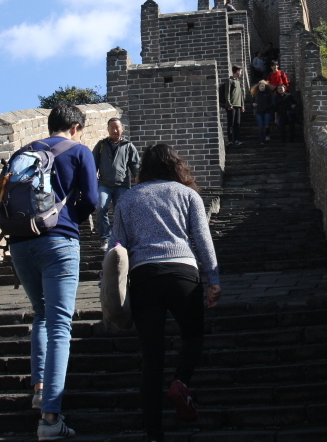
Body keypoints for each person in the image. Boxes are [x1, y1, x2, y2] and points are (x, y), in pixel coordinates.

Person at [109, 144, 220, 442]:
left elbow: (115, 247)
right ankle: (181, 382)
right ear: (176, 166)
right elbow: (203, 240)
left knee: (152, 358)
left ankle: (154, 433)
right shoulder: (188, 195)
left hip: (145, 276)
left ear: (143, 168)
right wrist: (213, 279)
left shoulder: (128, 199)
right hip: (184, 273)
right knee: (193, 336)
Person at [10, 103, 98, 441]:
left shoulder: (24, 150)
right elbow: (90, 198)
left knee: (41, 315)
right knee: (61, 323)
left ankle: (39, 387)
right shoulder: (79, 151)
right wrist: (70, 216)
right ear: (76, 127)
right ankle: (50, 419)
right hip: (59, 240)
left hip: (20, 243)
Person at [92, 118, 141, 250]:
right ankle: (105, 238)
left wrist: (138, 177)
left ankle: (122, 238)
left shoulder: (128, 146)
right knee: (101, 207)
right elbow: (92, 165)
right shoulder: (101, 145)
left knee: (123, 211)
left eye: (117, 127)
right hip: (104, 185)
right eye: (112, 128)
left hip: (122, 185)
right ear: (108, 129)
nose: (115, 130)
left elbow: (135, 164)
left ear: (122, 129)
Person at [222, 66, 245, 147]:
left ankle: (237, 140)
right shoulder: (229, 81)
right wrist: (229, 104)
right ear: (237, 71)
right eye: (241, 71)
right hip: (231, 106)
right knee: (231, 123)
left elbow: (241, 95)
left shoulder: (238, 82)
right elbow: (227, 93)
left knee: (237, 123)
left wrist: (242, 105)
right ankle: (230, 140)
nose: (241, 73)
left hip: (238, 105)